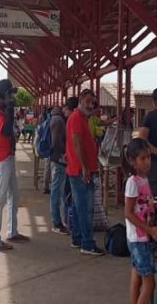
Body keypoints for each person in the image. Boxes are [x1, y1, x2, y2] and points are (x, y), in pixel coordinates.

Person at [0, 79, 30, 251]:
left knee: (13, 195)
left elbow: (10, 129)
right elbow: (4, 129)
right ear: (4, 94)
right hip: (0, 158)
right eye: (10, 94)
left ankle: (12, 231)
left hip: (7, 156)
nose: (11, 97)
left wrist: (10, 110)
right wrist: (10, 108)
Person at [122, 138, 157, 304]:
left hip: (139, 237)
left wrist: (154, 204)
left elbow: (141, 204)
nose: (147, 162)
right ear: (133, 162)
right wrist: (150, 230)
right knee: (150, 284)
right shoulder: (133, 182)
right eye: (143, 159)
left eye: (149, 157)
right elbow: (128, 213)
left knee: (137, 280)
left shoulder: (143, 179)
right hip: (139, 238)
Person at [65, 88, 104, 255]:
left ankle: (77, 237)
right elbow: (77, 143)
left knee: (77, 204)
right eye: (88, 101)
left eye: (93, 102)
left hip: (79, 169)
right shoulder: (76, 118)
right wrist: (85, 167)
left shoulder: (82, 118)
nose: (90, 104)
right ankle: (87, 243)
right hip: (80, 170)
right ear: (81, 99)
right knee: (85, 207)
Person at [49, 105, 69, 235]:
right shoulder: (58, 120)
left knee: (59, 190)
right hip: (58, 159)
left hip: (56, 159)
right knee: (57, 191)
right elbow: (56, 142)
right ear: (65, 108)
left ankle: (60, 220)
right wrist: (64, 152)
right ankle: (56, 222)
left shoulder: (56, 118)